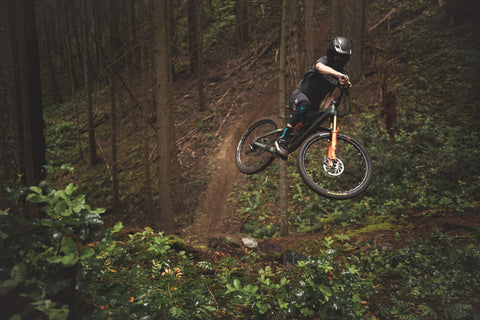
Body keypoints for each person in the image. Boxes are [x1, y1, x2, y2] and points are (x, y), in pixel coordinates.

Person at [275, 36, 353, 157]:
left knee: (312, 125)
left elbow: (332, 96)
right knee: (304, 104)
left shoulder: (343, 74)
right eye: (337, 56)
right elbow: (319, 67)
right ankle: (283, 138)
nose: (339, 60)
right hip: (300, 95)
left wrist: (327, 112)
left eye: (343, 58)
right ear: (331, 53)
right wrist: (338, 75)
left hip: (314, 106)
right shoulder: (324, 61)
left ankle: (289, 142)